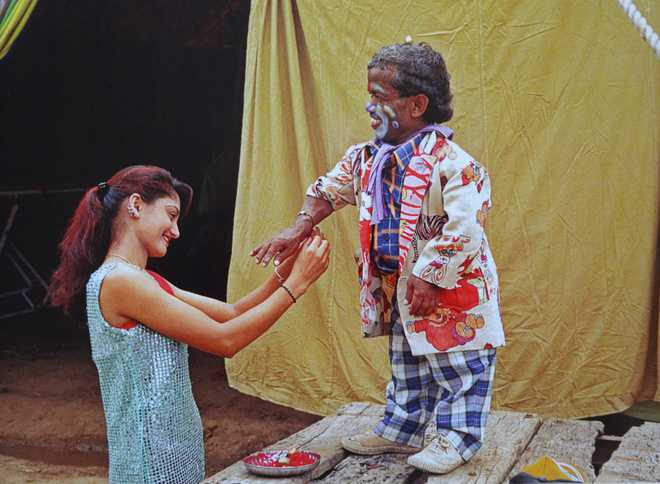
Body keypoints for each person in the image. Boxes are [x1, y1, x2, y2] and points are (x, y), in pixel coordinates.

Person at [251, 42, 505, 475]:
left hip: (451, 290)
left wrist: (430, 277)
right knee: (407, 359)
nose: (370, 105)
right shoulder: (365, 158)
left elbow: (465, 227)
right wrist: (298, 226)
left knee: (460, 361)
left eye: (379, 97)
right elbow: (327, 191)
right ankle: (402, 427)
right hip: (399, 288)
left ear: (417, 104)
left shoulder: (454, 164)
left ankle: (458, 437)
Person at [49, 165, 330, 483]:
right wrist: (298, 285)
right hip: (148, 467)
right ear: (136, 205)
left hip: (172, 456)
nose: (176, 230)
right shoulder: (120, 282)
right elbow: (225, 340)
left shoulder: (141, 279)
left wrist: (290, 268)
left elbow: (231, 313)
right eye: (171, 215)